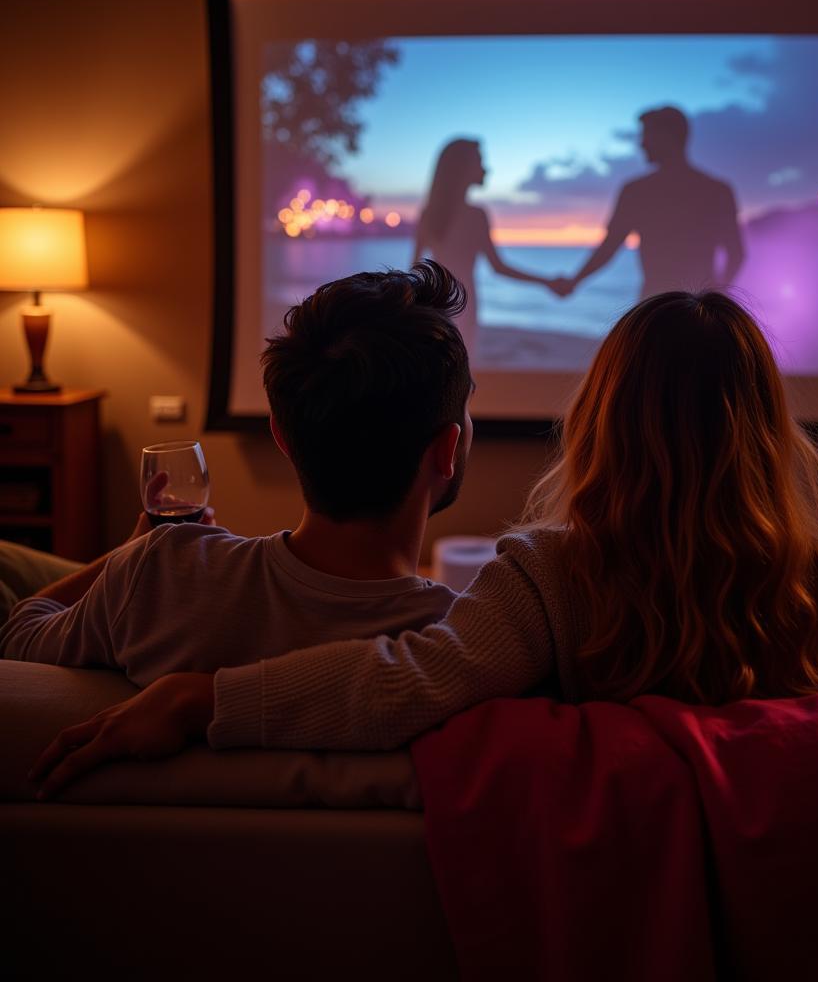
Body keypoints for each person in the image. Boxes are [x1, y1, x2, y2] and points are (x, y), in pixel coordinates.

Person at [29, 290, 818, 796]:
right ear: (768, 425)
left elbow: (402, 682)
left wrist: (206, 691)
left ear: (602, 420)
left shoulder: (547, 580)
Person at [1, 261, 472, 686]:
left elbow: (17, 637)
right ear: (446, 450)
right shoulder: (455, 642)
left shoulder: (160, 573)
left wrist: (128, 554)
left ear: (281, 437)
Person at [553, 107, 745, 300]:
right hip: (701, 310)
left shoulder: (637, 191)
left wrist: (574, 282)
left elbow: (608, 248)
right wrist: (717, 299)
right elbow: (736, 254)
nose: (642, 144)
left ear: (669, 137)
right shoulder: (717, 190)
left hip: (654, 306)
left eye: (647, 135)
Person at [413, 138, 561, 356]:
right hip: (464, 304)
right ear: (462, 169)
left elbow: (414, 268)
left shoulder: (430, 215)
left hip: (436, 304)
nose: (486, 169)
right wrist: (548, 282)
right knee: (462, 369)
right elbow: (499, 267)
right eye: (480, 162)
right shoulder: (475, 215)